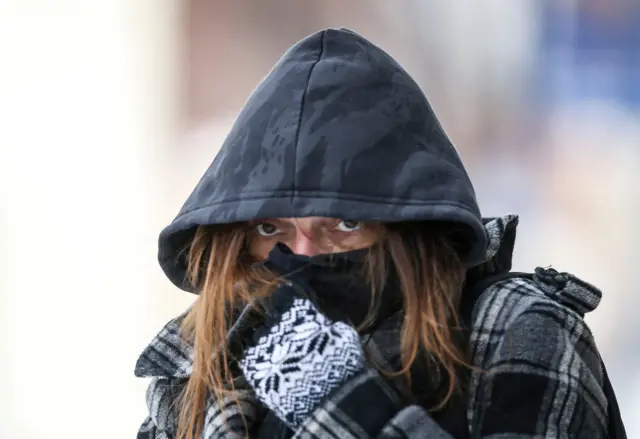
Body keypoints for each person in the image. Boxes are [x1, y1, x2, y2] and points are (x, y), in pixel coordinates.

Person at [135, 28, 610, 438]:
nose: (301, 253)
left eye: (344, 224)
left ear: (409, 232)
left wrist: (337, 403)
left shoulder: (513, 330)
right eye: (269, 227)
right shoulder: (200, 366)